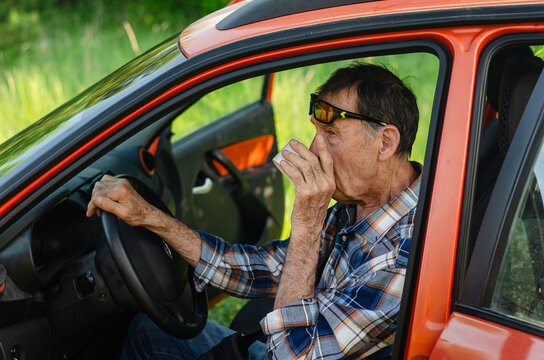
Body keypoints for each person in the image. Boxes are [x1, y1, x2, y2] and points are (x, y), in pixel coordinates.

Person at [87, 62, 421, 359]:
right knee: (148, 332)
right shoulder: (356, 207)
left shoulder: (407, 251)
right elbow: (267, 268)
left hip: (295, 350)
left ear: (386, 142)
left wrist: (307, 223)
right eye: (316, 132)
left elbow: (293, 355)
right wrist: (152, 219)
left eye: (331, 134)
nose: (313, 150)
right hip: (296, 341)